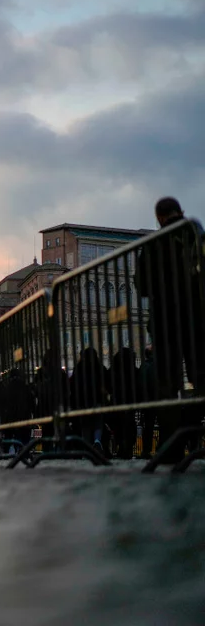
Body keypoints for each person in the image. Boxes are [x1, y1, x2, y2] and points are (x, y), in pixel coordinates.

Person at [135, 197, 204, 463]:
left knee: (167, 386)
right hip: (196, 319)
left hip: (165, 322)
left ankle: (172, 445)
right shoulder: (195, 232)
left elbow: (142, 285)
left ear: (159, 217)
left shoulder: (153, 243)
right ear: (180, 211)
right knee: (200, 378)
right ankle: (192, 428)